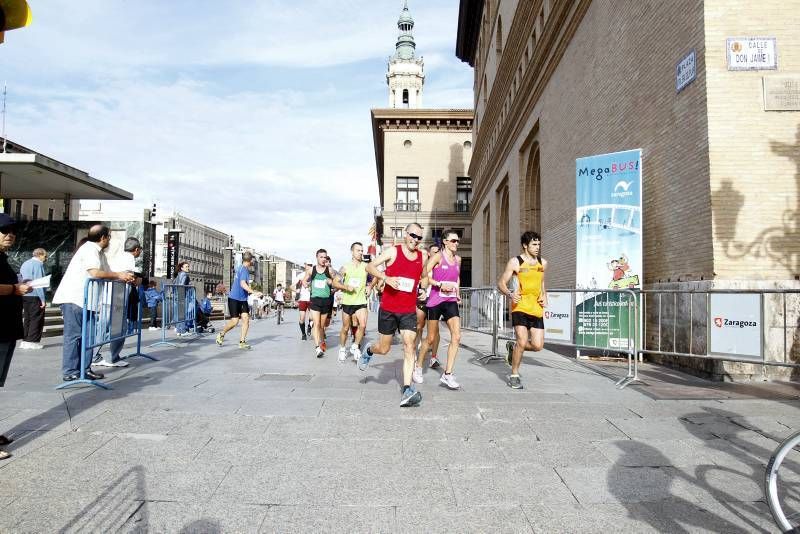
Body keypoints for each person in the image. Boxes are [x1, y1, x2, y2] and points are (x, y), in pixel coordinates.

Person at [53, 225, 135, 382]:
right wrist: (119, 274)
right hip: (74, 299)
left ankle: (84, 368)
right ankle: (70, 370)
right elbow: (95, 273)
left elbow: (107, 271)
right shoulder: (89, 249)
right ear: (103, 237)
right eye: (109, 237)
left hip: (88, 301)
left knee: (89, 336)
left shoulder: (99, 253)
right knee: (74, 336)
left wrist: (125, 277)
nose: (109, 240)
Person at [361, 223, 428, 407]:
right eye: (413, 235)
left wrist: (423, 288)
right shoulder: (393, 252)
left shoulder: (422, 256)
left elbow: (424, 277)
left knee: (409, 346)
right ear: (406, 234)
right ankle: (368, 350)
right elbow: (370, 267)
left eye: (419, 237)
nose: (415, 240)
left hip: (408, 310)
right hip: (389, 309)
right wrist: (386, 278)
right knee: (384, 349)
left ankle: (407, 389)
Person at [497, 231, 548, 390]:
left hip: (536, 308)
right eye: (534, 244)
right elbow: (501, 283)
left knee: (538, 346)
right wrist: (511, 294)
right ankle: (514, 374)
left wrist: (545, 296)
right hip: (520, 307)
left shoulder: (543, 263)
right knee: (522, 340)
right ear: (525, 245)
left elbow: (541, 283)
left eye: (538, 244)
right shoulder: (515, 262)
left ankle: (514, 348)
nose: (537, 247)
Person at [0, 215, 32, 459]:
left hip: (6, 328)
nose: (9, 234)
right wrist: (14, 289)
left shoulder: (3, 258)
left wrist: (19, 285)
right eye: (3, 230)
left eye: (11, 230)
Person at [414, 230, 462, 389]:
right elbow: (423, 274)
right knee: (431, 339)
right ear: (445, 242)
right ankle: (418, 366)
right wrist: (440, 284)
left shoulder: (458, 259)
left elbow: (457, 277)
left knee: (456, 335)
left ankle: (447, 374)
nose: (456, 243)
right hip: (435, 301)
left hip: (450, 300)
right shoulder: (437, 257)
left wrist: (458, 293)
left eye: (457, 241)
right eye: (453, 240)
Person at [96, 237, 143, 367]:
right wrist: (137, 280)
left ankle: (95, 355)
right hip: (117, 298)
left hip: (108, 297)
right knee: (120, 329)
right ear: (136, 249)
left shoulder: (117, 256)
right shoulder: (129, 258)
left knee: (103, 327)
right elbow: (128, 277)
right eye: (139, 251)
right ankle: (113, 357)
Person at [336, 242, 372, 363]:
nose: (361, 252)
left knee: (362, 325)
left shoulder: (366, 266)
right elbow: (335, 282)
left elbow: (377, 275)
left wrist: (370, 286)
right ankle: (342, 349)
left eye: (362, 250)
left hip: (361, 301)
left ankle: (355, 346)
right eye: (358, 250)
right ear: (352, 252)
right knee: (345, 328)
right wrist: (346, 287)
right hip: (348, 302)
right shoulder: (345, 267)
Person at [216, 252, 259, 349]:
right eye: (252, 260)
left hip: (243, 299)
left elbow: (244, 284)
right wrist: (254, 292)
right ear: (250, 260)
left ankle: (242, 341)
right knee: (235, 321)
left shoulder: (241, 268)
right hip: (234, 298)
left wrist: (250, 289)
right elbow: (243, 284)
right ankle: (222, 334)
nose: (253, 262)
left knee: (246, 319)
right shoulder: (243, 270)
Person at [18, 248, 48, 350]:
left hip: (25, 295)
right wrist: (43, 299)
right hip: (35, 295)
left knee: (28, 318)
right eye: (45, 256)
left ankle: (25, 340)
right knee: (36, 319)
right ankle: (32, 341)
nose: (46, 258)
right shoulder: (38, 265)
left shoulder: (25, 263)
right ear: (39, 255)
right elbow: (39, 283)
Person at [174, 261, 193, 335]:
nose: (188, 268)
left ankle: (178, 330)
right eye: (186, 267)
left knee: (179, 314)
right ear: (182, 268)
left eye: (188, 266)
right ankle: (182, 331)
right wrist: (189, 285)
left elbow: (174, 284)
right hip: (182, 296)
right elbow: (181, 286)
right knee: (182, 314)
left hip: (177, 296)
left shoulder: (179, 275)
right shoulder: (184, 274)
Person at [296, 268, 312, 340]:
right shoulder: (301, 277)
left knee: (312, 318)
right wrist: (297, 295)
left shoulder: (313, 276)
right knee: (302, 318)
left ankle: (309, 326)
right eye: (307, 265)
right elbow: (294, 287)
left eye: (310, 266)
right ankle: (303, 334)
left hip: (311, 299)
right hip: (302, 300)